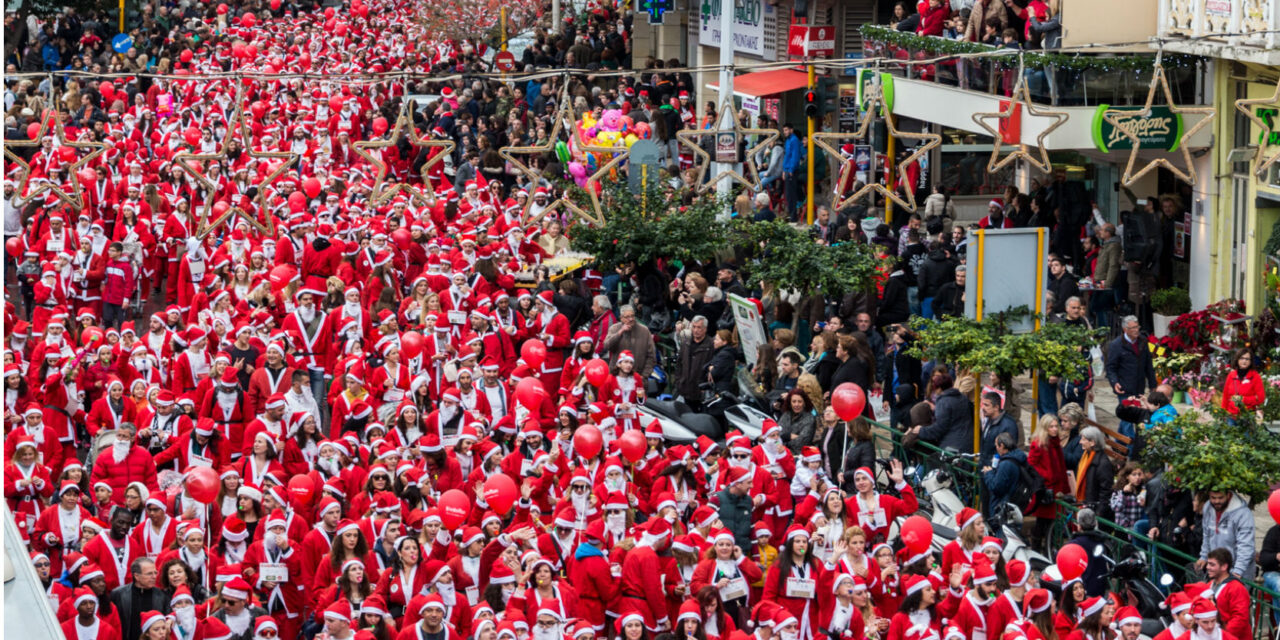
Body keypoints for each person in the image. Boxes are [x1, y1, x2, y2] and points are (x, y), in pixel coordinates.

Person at [1104, 316, 1157, 442]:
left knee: (1135, 417)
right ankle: (1131, 446)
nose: (1136, 330)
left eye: (1137, 327)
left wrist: (1152, 384)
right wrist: (1114, 382)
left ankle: (1118, 443)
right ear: (1125, 329)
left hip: (1139, 387)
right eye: (1132, 328)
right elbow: (1111, 367)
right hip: (1124, 388)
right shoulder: (1116, 345)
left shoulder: (1143, 342)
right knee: (1128, 418)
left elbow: (1148, 365)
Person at [1197, 491, 1256, 580]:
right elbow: (1206, 535)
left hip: (1236, 571)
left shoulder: (1243, 514)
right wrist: (1204, 556)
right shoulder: (1208, 507)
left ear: (1228, 495)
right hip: (1216, 568)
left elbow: (1246, 545)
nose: (1217, 501)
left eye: (1220, 498)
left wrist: (1238, 570)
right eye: (1213, 498)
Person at [109, 557, 170, 640]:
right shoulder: (118, 594)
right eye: (149, 574)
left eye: (155, 573)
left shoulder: (162, 595)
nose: (154, 576)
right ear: (136, 576)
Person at [1201, 547, 1253, 640]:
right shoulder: (1210, 584)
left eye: (1212, 564)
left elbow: (1240, 619)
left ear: (1224, 567)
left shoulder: (1237, 588)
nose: (1207, 567)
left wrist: (1221, 636)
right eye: (1208, 563)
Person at [603, 305, 657, 379]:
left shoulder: (644, 330)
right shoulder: (614, 328)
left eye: (632, 316)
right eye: (627, 317)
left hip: (638, 376)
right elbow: (607, 346)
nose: (631, 319)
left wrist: (644, 375)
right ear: (621, 318)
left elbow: (651, 356)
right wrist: (620, 332)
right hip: (617, 377)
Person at [980, 432, 1023, 524]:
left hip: (1003, 508)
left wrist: (988, 473)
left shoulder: (1006, 464)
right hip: (1013, 504)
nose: (995, 448)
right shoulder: (1017, 457)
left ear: (1002, 446)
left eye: (996, 445)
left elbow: (996, 487)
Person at [1073, 426, 1114, 514]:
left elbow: (1106, 491)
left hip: (1094, 510)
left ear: (1092, 443)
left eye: (1083, 440)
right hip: (1085, 506)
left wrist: (1099, 512)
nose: (1080, 442)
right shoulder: (1085, 457)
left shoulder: (1103, 463)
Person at [1220, 348, 1264, 418]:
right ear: (1237, 360)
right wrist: (1223, 413)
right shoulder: (1231, 375)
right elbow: (1225, 396)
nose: (1244, 361)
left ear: (1250, 361)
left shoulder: (1255, 376)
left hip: (1248, 416)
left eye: (1247, 359)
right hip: (1231, 415)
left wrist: (1243, 399)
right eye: (1242, 358)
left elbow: (1260, 398)